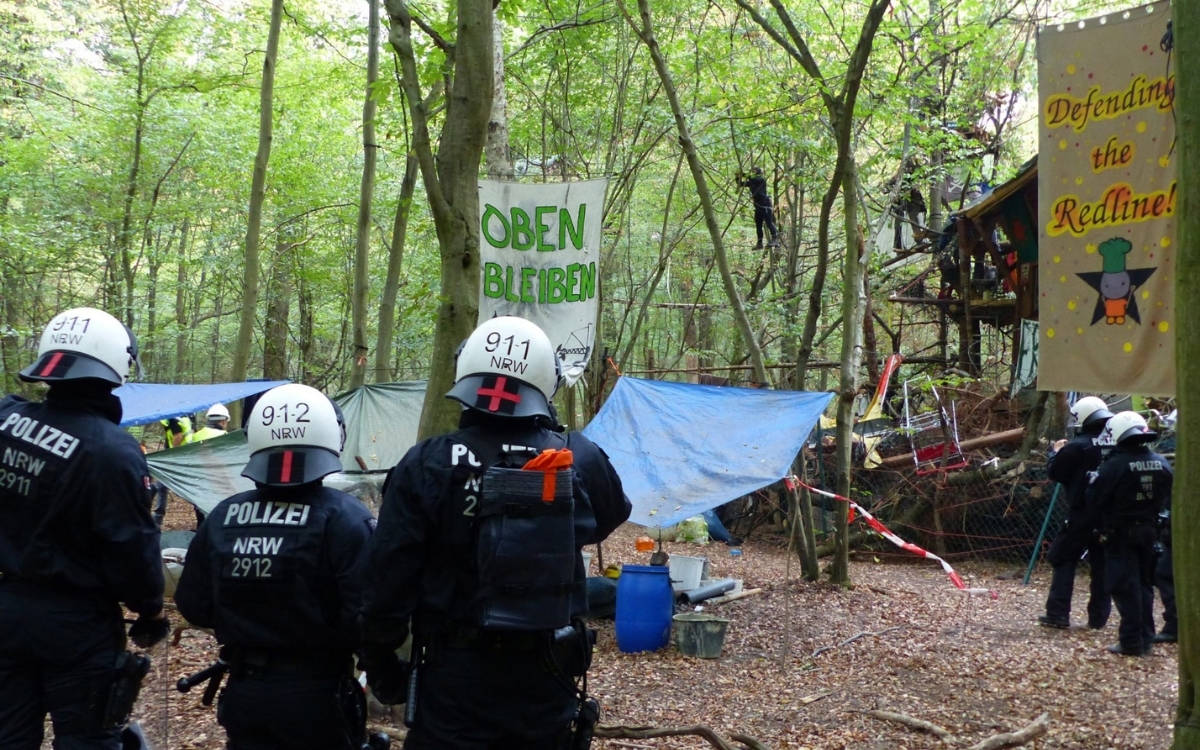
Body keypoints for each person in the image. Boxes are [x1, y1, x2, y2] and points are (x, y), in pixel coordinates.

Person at [361, 315, 631, 749]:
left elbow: (386, 582)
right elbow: (606, 519)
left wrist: (381, 664)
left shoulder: (425, 463)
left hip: (452, 686)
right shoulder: (576, 457)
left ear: (465, 373)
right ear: (547, 382)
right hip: (547, 682)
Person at [0, 306, 167, 748]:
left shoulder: (6, 419)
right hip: (76, 624)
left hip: (5, 607)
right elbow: (132, 546)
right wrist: (150, 609)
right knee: (88, 741)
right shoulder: (112, 451)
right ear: (114, 364)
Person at [174, 383, 375, 749]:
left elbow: (194, 605)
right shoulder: (346, 517)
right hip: (317, 695)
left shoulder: (223, 515)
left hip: (245, 693)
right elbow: (364, 614)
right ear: (333, 436)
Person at [1088, 411, 1173, 656]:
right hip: (1150, 531)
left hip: (1120, 533)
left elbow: (1097, 500)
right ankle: (1145, 636)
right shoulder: (1162, 463)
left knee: (1124, 585)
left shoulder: (1113, 466)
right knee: (1144, 585)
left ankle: (1131, 641)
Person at [1038, 396, 1113, 630]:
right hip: (1109, 517)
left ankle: (1057, 614)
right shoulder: (1116, 444)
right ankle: (1098, 618)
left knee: (1063, 558)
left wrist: (1055, 453)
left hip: (1081, 514)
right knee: (1102, 566)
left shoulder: (1077, 446)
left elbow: (1056, 473)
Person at [739, 166, 780, 249]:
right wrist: (737, 178)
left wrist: (743, 174)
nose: (752, 173)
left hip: (765, 205)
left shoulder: (761, 179)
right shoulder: (752, 182)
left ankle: (775, 239)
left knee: (769, 223)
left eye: (753, 172)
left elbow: (752, 178)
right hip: (758, 206)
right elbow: (741, 184)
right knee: (758, 224)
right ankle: (759, 243)